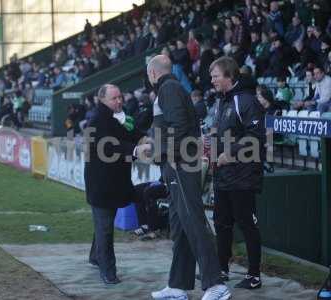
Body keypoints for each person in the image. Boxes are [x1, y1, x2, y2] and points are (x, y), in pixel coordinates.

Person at [147, 55, 231, 300]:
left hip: (181, 164)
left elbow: (180, 124)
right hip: (178, 164)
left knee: (193, 222)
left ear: (153, 73)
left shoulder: (168, 88)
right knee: (180, 225)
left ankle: (216, 285)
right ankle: (178, 285)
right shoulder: (171, 88)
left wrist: (172, 154)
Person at [84, 84, 150, 285]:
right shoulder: (97, 121)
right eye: (114, 98)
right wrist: (136, 150)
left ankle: (96, 257)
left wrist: (146, 139)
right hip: (101, 184)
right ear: (101, 100)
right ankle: (108, 271)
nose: (119, 101)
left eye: (120, 97)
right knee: (105, 228)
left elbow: (132, 134)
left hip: (115, 183)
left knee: (104, 224)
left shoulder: (119, 117)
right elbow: (111, 145)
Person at [210, 56, 265, 290]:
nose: (212, 80)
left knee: (247, 225)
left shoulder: (247, 101)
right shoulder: (221, 101)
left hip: (242, 177)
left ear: (229, 77)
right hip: (223, 177)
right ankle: (222, 270)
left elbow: (255, 138)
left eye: (215, 76)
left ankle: (254, 276)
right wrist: (211, 151)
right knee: (221, 224)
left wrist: (228, 153)